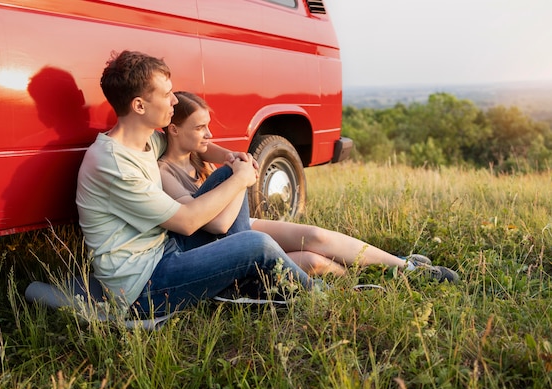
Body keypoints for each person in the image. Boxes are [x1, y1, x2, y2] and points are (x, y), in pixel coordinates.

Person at [75, 50, 323, 317]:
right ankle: (319, 296)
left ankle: (240, 283)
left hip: (167, 249)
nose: (173, 100)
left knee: (226, 175)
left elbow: (197, 146)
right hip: (143, 287)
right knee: (256, 244)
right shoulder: (113, 164)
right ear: (139, 106)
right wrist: (241, 179)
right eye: (166, 94)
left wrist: (232, 159)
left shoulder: (146, 140)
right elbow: (187, 221)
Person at [158, 91, 460, 281]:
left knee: (314, 235)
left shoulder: (198, 152)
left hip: (243, 223)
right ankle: (377, 278)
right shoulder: (164, 171)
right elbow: (214, 225)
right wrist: (240, 179)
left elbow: (217, 152)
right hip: (216, 245)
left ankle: (406, 268)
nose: (208, 134)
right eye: (200, 128)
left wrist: (234, 158)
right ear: (173, 130)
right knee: (312, 262)